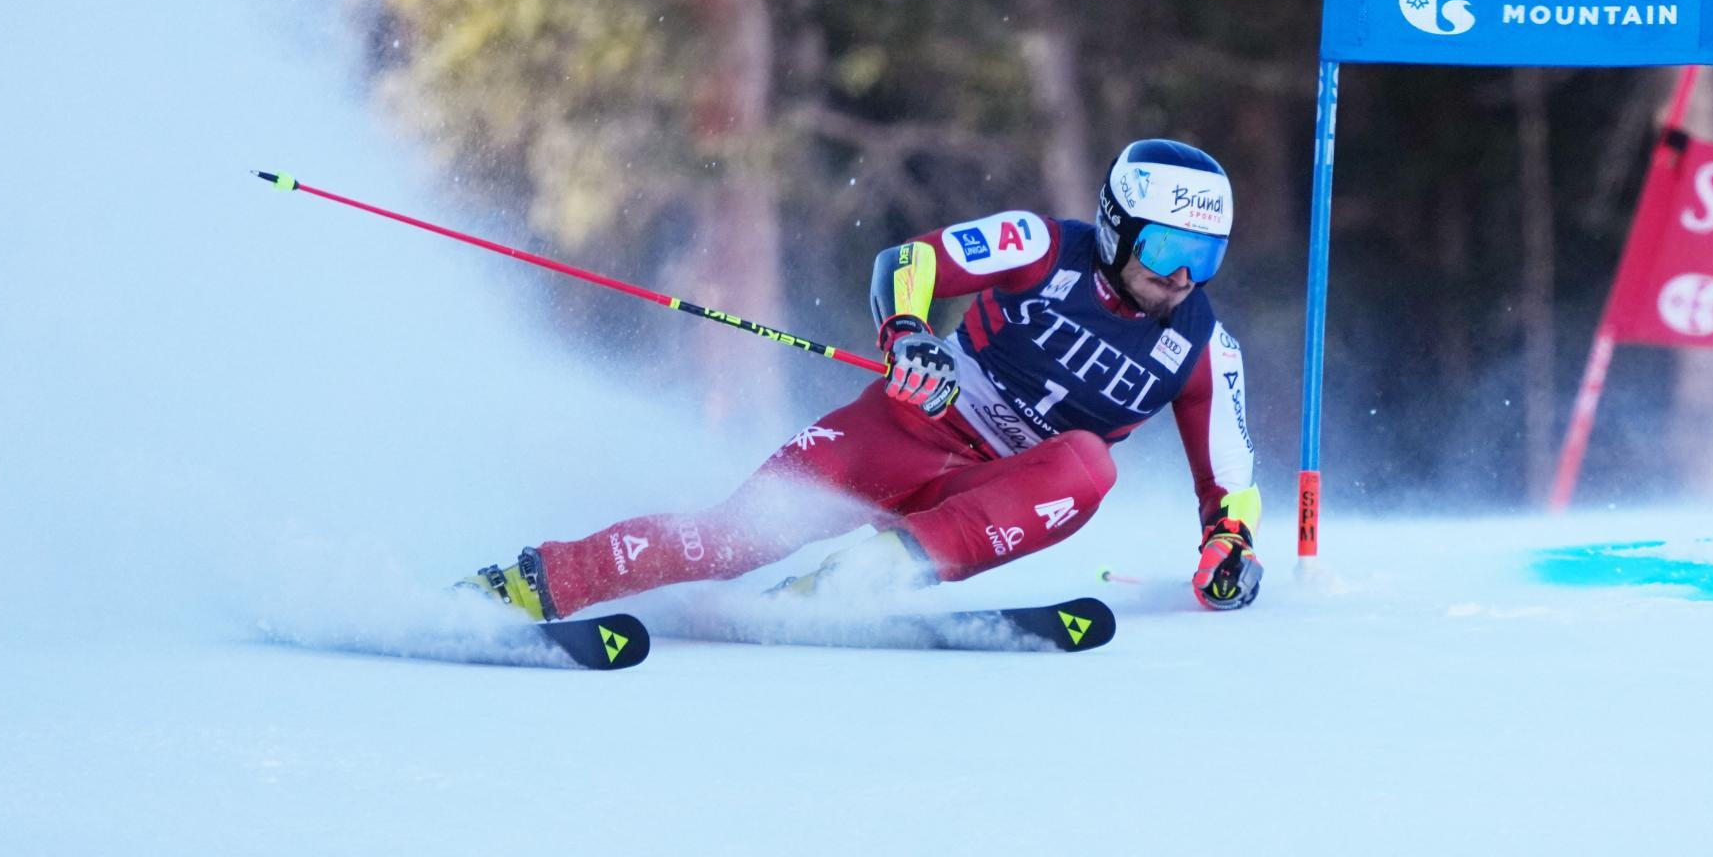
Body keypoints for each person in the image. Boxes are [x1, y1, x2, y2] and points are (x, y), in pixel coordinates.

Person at [465, 138, 1262, 619]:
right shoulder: (1040, 243)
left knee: (1090, 462)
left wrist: (1228, 548)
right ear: (1118, 228)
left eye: (1206, 257)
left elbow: (1230, 485)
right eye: (1166, 252)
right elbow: (911, 261)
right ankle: (534, 583)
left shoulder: (1203, 348)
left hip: (999, 487)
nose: (1185, 277)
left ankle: (868, 575)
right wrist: (908, 331)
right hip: (908, 428)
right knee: (729, 535)